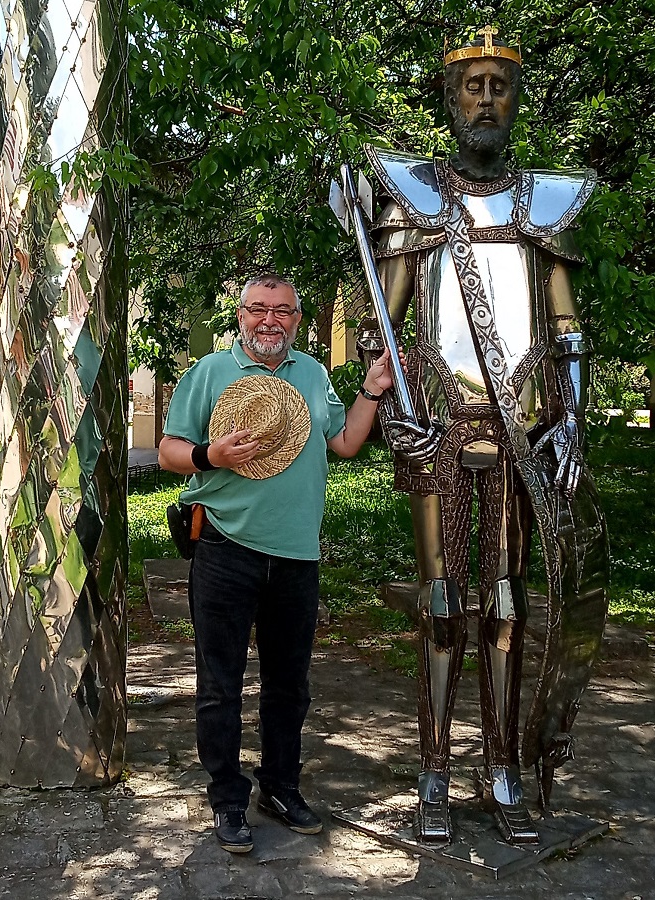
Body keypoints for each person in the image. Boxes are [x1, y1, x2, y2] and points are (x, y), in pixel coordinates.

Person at [355, 26, 608, 844]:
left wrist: (569, 420)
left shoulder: (544, 205)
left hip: (520, 435)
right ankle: (433, 767)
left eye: (499, 85)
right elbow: (379, 330)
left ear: (516, 98)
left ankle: (501, 767)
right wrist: (393, 414)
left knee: (505, 603)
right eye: (472, 86)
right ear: (449, 98)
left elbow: (566, 332)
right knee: (439, 606)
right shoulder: (415, 198)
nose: (486, 99)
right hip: (437, 428)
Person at [159, 273, 399, 853]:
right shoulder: (209, 373)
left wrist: (372, 389)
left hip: (296, 556)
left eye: (283, 311)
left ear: (296, 318)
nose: (270, 320)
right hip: (225, 550)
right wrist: (210, 455)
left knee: (289, 687)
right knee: (220, 686)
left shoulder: (312, 373)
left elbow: (345, 442)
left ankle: (280, 787)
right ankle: (227, 799)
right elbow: (168, 451)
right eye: (259, 309)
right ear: (241, 315)